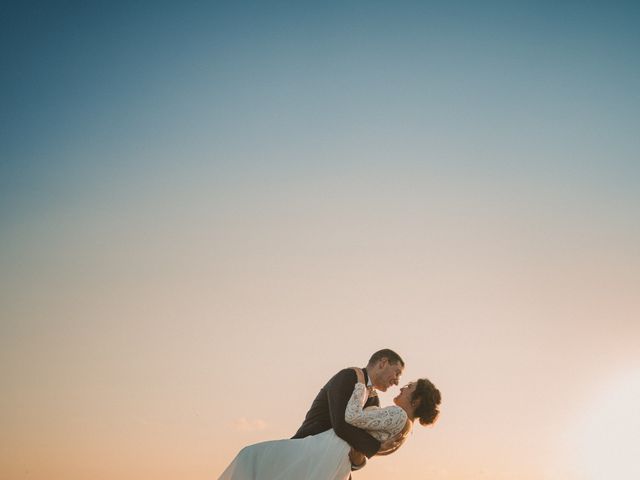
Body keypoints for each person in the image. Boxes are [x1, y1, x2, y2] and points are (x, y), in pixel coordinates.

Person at [217, 349, 441, 480]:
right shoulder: (348, 377)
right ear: (383, 363)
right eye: (397, 373)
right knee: (251, 458)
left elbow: (357, 442)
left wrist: (359, 460)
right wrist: (374, 449)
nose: (397, 381)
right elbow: (341, 425)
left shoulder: (374, 400)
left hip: (332, 459)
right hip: (308, 446)